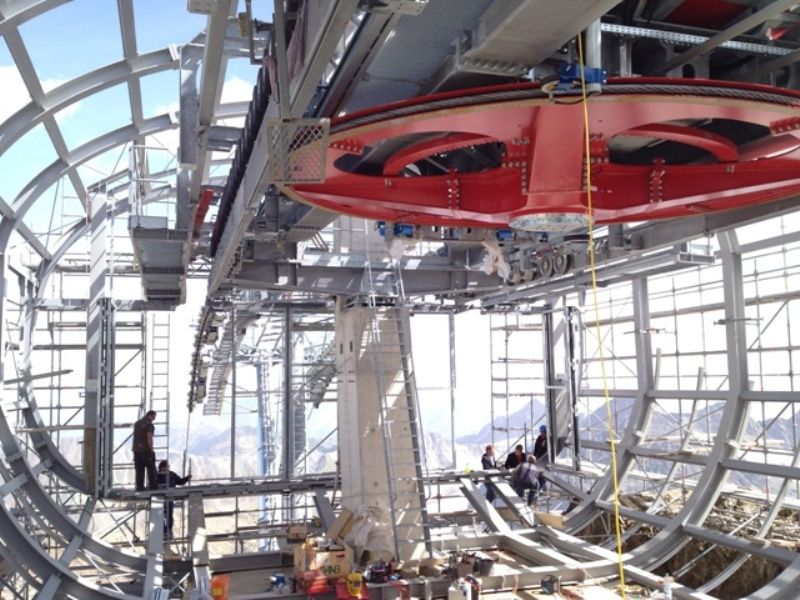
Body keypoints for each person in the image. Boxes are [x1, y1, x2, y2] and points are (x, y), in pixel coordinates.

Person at [157, 460, 191, 539]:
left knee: (169, 516)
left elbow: (180, 481)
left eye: (168, 467)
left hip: (169, 499)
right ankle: (164, 531)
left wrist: (187, 478)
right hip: (159, 499)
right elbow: (152, 485)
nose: (167, 468)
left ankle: (168, 531)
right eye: (166, 467)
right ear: (161, 467)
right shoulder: (157, 475)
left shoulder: (171, 474)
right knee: (159, 517)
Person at [132, 410, 157, 491]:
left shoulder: (137, 424)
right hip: (146, 450)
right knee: (151, 469)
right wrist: (152, 450)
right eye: (153, 417)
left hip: (136, 450)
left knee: (139, 470)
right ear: (149, 415)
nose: (153, 419)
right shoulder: (149, 425)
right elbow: (149, 437)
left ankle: (140, 487)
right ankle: (153, 487)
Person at [533, 424, 548, 491]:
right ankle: (540, 487)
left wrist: (544, 446)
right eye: (541, 432)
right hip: (539, 459)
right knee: (538, 474)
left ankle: (542, 487)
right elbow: (536, 448)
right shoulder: (539, 438)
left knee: (543, 474)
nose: (542, 434)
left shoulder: (548, 439)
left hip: (545, 460)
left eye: (543, 432)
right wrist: (535, 457)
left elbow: (548, 450)